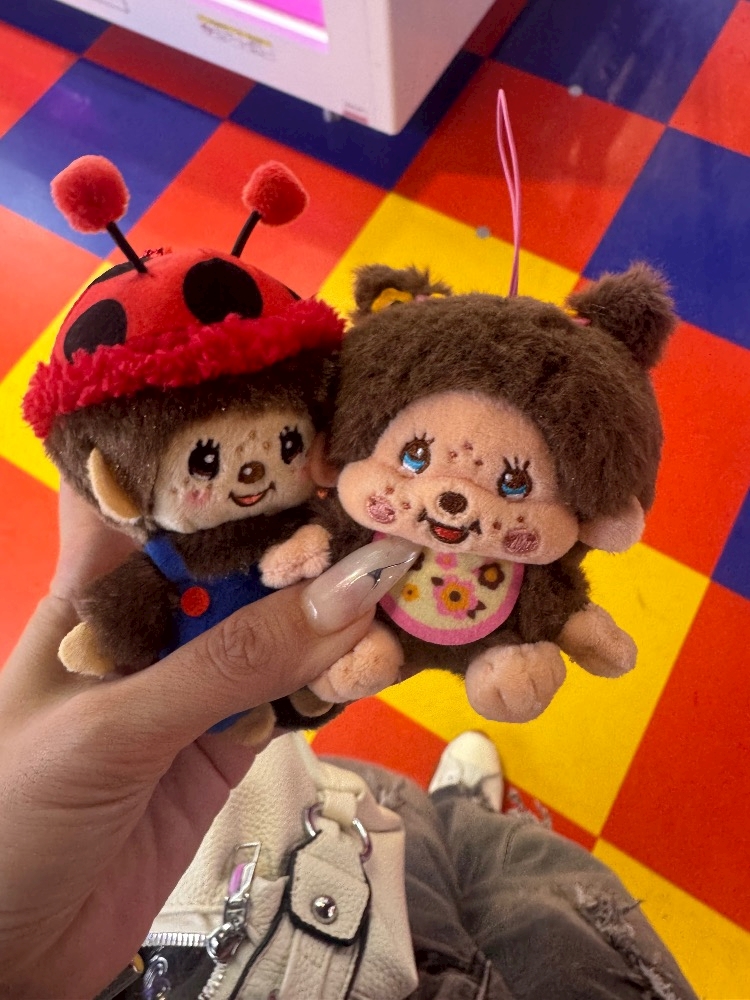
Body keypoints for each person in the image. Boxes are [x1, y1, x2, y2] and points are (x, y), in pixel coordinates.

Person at [0, 486, 698, 1000]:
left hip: (300, 839)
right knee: (532, 880)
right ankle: (466, 811)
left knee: (410, 818)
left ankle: (456, 809)